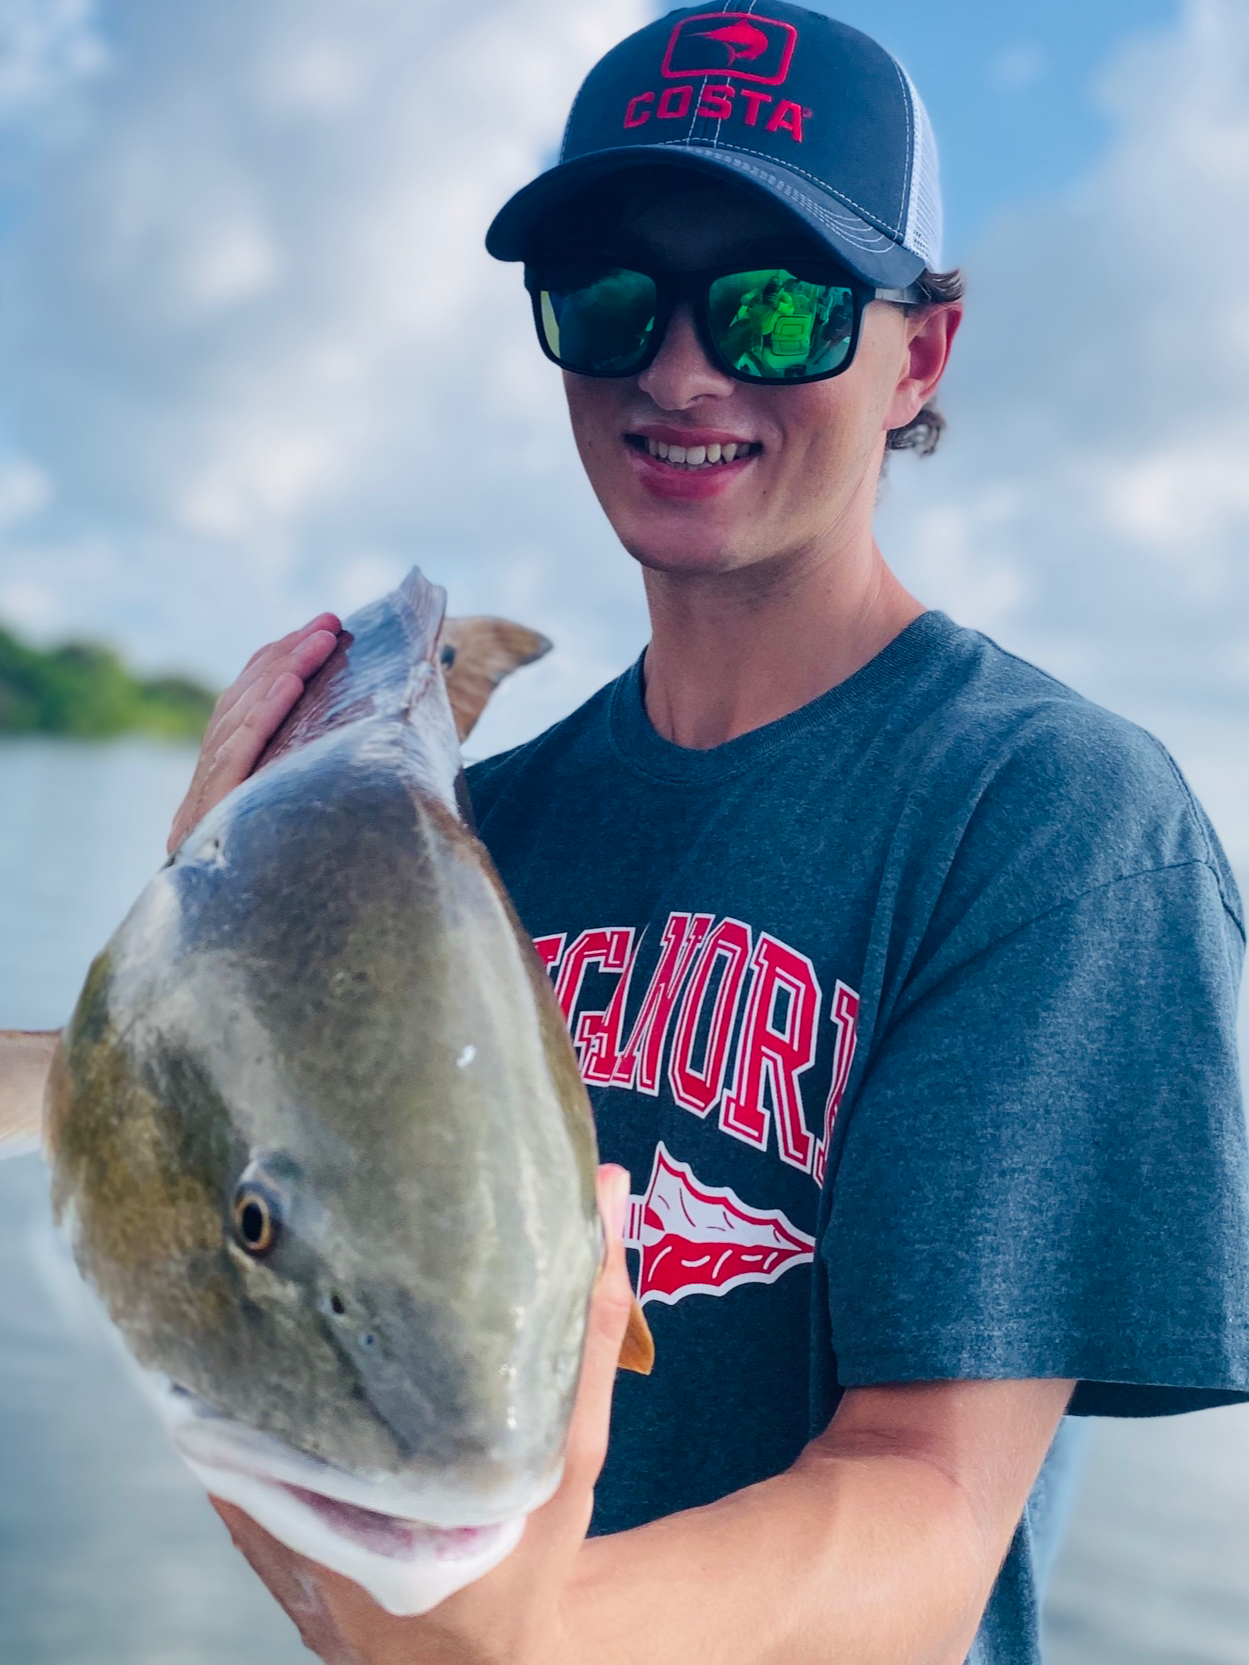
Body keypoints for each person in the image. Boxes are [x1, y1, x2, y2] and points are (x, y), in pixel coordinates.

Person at [169, 7, 1249, 1663]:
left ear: (921, 354)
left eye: (776, 304)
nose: (681, 370)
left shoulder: (1052, 822)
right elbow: (300, 1342)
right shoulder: (475, 845)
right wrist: (208, 966)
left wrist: (519, 1635)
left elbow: (929, 1505)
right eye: (611, 299)